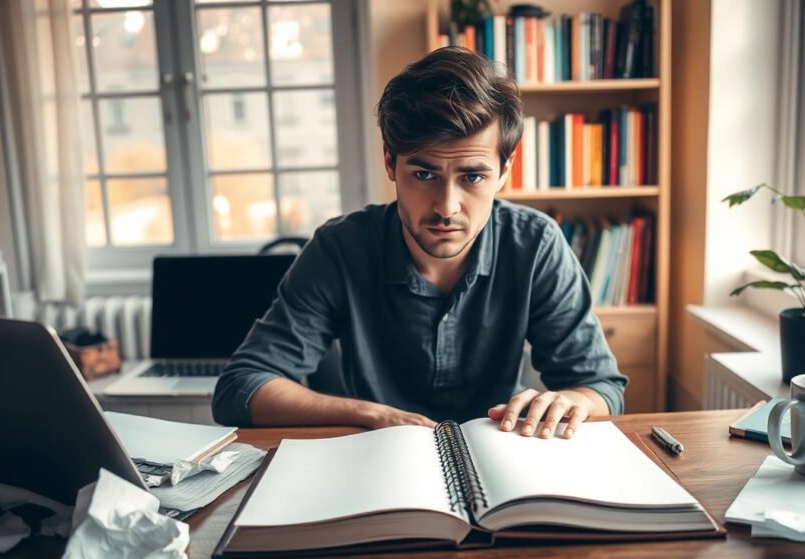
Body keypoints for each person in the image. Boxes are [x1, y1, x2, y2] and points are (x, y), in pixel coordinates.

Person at [213, 47, 628, 439]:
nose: (447, 207)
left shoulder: (536, 244)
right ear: (391, 162)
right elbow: (240, 388)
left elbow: (600, 387)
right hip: (378, 464)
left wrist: (567, 401)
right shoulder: (341, 247)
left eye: (473, 176)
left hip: (500, 461)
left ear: (505, 170)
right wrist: (371, 414)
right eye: (425, 174)